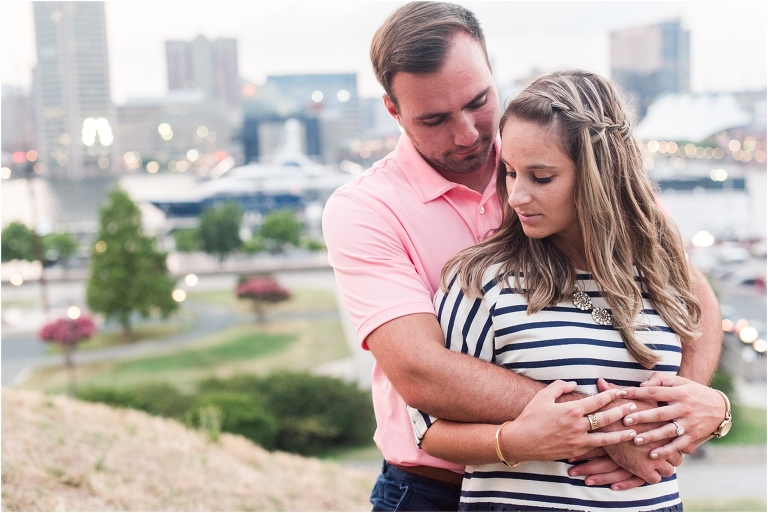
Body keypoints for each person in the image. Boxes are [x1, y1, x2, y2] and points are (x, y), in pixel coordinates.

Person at [322, 3, 724, 511]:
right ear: (393, 110)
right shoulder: (365, 210)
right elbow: (421, 371)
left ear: (493, 72)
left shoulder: (569, 154)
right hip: (434, 490)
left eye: (478, 101)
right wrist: (606, 430)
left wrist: (681, 413)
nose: (467, 133)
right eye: (434, 119)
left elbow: (690, 291)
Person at [407, 69, 732, 512]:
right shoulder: (484, 281)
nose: (516, 196)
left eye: (541, 177)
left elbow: (683, 405)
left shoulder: (661, 274)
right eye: (510, 172)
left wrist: (715, 411)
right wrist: (517, 440)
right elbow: (427, 429)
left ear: (601, 176)